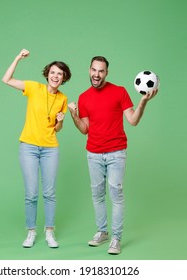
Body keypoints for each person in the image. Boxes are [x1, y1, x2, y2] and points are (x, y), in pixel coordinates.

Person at [67, 56, 157, 255]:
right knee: (97, 195)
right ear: (89, 70)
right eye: (93, 70)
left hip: (116, 152)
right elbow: (84, 129)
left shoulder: (120, 92)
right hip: (93, 154)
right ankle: (102, 232)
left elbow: (133, 120)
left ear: (106, 73)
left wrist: (143, 101)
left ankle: (116, 238)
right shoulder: (84, 97)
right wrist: (74, 115)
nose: (96, 74)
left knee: (116, 195)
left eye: (101, 71)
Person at [2, 49, 71, 249]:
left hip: (50, 148)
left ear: (64, 78)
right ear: (47, 74)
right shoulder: (34, 87)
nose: (56, 76)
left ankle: (50, 232)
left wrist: (60, 121)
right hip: (29, 147)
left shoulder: (63, 99)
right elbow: (6, 79)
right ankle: (31, 232)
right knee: (31, 193)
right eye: (53, 72)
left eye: (60, 73)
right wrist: (17, 58)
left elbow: (57, 129)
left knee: (49, 193)